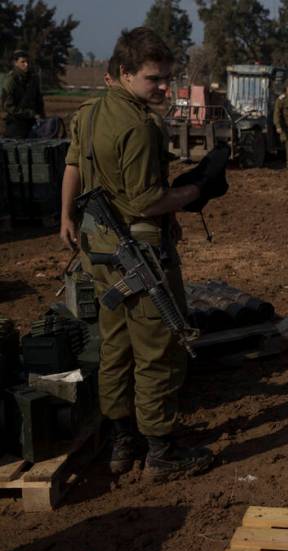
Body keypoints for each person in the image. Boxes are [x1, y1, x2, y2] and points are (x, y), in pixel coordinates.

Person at [59, 27, 223, 482]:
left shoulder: (90, 113)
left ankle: (122, 441)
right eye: (154, 79)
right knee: (159, 349)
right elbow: (146, 201)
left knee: (116, 347)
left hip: (101, 252)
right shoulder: (139, 125)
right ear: (125, 73)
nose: (164, 88)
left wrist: (65, 217)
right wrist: (197, 188)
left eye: (167, 78)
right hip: (138, 252)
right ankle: (161, 450)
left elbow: (73, 164)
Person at [2, 50, 44, 138]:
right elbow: (8, 106)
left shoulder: (33, 79)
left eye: (28, 62)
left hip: (33, 123)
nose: (26, 64)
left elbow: (39, 100)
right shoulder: (11, 80)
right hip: (16, 124)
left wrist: (41, 116)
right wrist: (29, 113)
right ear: (15, 63)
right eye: (23, 62)